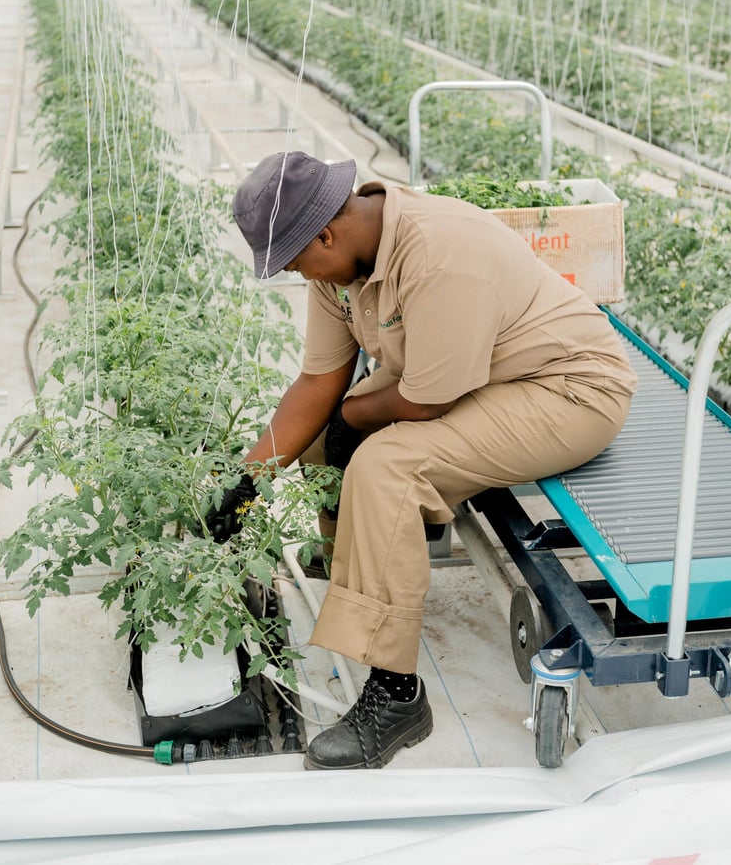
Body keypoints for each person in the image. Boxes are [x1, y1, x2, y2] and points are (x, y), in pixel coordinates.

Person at [216, 149, 637, 770]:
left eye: (300, 264)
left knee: (385, 465)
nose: (304, 278)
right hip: (482, 379)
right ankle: (359, 568)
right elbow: (317, 383)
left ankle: (395, 695)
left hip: (568, 388)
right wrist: (245, 481)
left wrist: (349, 421)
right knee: (318, 435)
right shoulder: (344, 264)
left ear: (325, 232)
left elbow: (423, 401)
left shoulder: (440, 254)